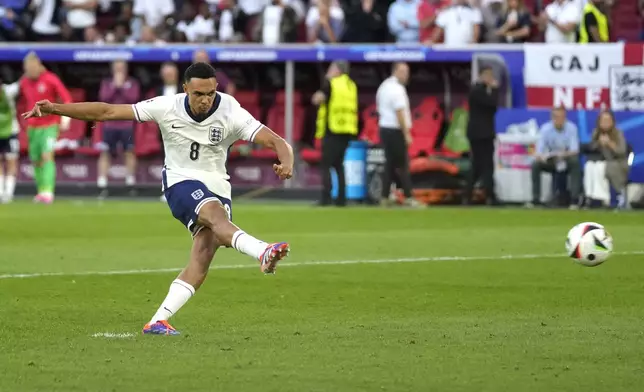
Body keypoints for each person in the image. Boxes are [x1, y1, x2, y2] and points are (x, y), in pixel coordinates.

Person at [22, 62, 294, 336]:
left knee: (203, 256)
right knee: (215, 217)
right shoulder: (167, 106)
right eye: (198, 93)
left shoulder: (230, 109)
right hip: (180, 181)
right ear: (185, 88)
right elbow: (106, 111)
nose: (205, 100)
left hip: (218, 185)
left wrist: (286, 161)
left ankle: (157, 321)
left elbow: (276, 141)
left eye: (210, 93)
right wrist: (55, 108)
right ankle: (262, 251)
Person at [19, 52, 72, 204]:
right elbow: (22, 101)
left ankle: (48, 191)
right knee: (35, 159)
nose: (28, 71)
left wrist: (65, 118)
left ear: (38, 65)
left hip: (49, 125)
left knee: (47, 156)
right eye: (26, 68)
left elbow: (66, 98)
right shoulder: (24, 82)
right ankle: (41, 190)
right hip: (32, 127)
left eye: (30, 67)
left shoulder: (51, 79)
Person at [375, 62, 423, 208]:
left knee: (389, 164)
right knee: (403, 164)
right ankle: (409, 197)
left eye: (407, 72)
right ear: (395, 71)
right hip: (395, 130)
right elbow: (400, 112)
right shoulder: (397, 89)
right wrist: (407, 133)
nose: (406, 75)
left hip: (384, 128)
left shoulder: (384, 86)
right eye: (403, 71)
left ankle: (384, 197)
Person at [312, 61, 358, 207]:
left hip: (332, 130)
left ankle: (326, 198)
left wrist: (325, 82)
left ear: (337, 70)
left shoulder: (331, 84)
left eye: (331, 68)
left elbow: (317, 99)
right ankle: (341, 199)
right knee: (339, 165)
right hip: (346, 131)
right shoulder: (351, 85)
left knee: (326, 165)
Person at [97, 60, 141, 198]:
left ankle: (130, 183)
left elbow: (134, 98)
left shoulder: (132, 83)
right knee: (105, 153)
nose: (119, 71)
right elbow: (104, 98)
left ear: (126, 70)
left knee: (129, 152)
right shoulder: (107, 83)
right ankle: (102, 184)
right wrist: (115, 87)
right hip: (109, 124)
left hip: (126, 124)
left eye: (121, 69)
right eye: (117, 69)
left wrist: (121, 87)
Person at [528, 107, 580, 209]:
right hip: (550, 160)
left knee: (575, 163)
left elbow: (575, 150)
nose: (559, 120)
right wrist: (542, 156)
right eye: (557, 117)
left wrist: (562, 155)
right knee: (535, 164)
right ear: (552, 117)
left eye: (562, 117)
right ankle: (536, 199)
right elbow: (539, 150)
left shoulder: (571, 128)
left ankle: (574, 199)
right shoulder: (545, 129)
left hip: (566, 158)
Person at [463, 66, 499, 205]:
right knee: (486, 165)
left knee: (478, 166)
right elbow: (492, 104)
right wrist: (495, 89)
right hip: (481, 134)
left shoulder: (478, 91)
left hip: (481, 133)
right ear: (482, 76)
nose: (491, 79)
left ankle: (469, 195)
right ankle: (489, 196)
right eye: (488, 76)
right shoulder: (477, 91)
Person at [582, 110, 629, 208]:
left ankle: (602, 199)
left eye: (608, 120)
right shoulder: (596, 133)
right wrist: (598, 143)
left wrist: (610, 144)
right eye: (603, 120)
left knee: (600, 167)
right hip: (600, 161)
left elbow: (622, 151)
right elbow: (591, 148)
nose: (605, 122)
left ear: (612, 121)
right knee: (589, 166)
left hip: (617, 164)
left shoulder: (618, 133)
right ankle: (590, 196)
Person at [156, 62, 181, 202]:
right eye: (167, 74)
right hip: (164, 133)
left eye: (171, 74)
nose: (169, 76)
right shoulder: (158, 91)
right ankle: (167, 191)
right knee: (167, 163)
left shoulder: (184, 90)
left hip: (182, 132)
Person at [0, 81, 20, 203]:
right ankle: (1, 192)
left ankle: (9, 193)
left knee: (11, 160)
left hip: (11, 132)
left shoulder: (8, 91)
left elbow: (21, 83)